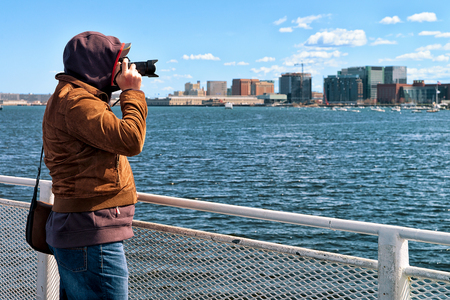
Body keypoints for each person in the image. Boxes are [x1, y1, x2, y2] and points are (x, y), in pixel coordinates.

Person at [42, 31, 148, 299]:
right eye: (117, 61)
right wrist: (132, 92)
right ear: (96, 64)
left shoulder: (75, 97)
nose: (122, 66)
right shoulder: (78, 102)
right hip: (91, 233)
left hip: (83, 230)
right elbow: (131, 140)